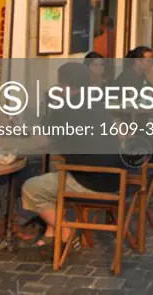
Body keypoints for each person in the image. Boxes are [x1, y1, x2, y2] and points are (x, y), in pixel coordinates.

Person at [20, 62, 127, 254]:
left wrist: (28, 131)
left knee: (31, 188)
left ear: (64, 84)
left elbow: (42, 142)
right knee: (56, 168)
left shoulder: (66, 109)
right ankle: (51, 232)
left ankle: (66, 232)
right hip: (116, 177)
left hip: (91, 180)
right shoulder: (96, 103)